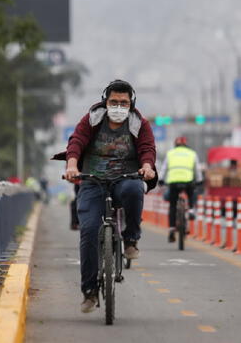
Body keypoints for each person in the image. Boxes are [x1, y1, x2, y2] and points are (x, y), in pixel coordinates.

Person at [59, 79, 157, 313]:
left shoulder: (138, 123)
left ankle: (131, 239)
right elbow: (76, 142)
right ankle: (90, 291)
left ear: (130, 103)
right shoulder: (92, 119)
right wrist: (72, 166)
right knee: (89, 231)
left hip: (125, 179)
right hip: (92, 180)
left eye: (124, 103)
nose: (118, 107)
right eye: (114, 101)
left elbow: (147, 148)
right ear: (106, 101)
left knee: (135, 189)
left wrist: (147, 166)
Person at [159, 136, 202, 242]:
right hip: (188, 181)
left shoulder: (170, 153)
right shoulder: (192, 153)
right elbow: (197, 169)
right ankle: (191, 209)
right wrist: (199, 180)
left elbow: (164, 168)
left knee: (173, 205)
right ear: (186, 144)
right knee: (191, 193)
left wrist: (161, 179)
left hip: (173, 181)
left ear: (175, 144)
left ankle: (172, 228)